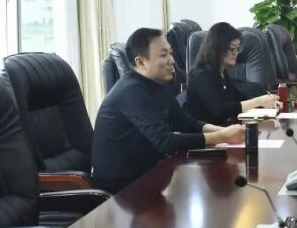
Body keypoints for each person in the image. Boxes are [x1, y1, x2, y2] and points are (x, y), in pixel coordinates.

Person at [91, 27, 244, 193]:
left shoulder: (159, 83)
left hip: (150, 174)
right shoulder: (131, 92)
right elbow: (166, 142)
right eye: (164, 55)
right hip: (122, 190)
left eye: (170, 53)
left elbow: (185, 122)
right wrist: (222, 136)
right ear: (141, 62)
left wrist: (223, 131)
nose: (172, 60)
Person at [184, 22, 279, 124]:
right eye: (232, 49)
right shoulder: (201, 75)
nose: (236, 53)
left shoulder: (221, 73)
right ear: (218, 48)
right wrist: (258, 101)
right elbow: (219, 110)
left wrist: (267, 103)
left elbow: (238, 98)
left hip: (223, 128)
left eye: (238, 49)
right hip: (204, 132)